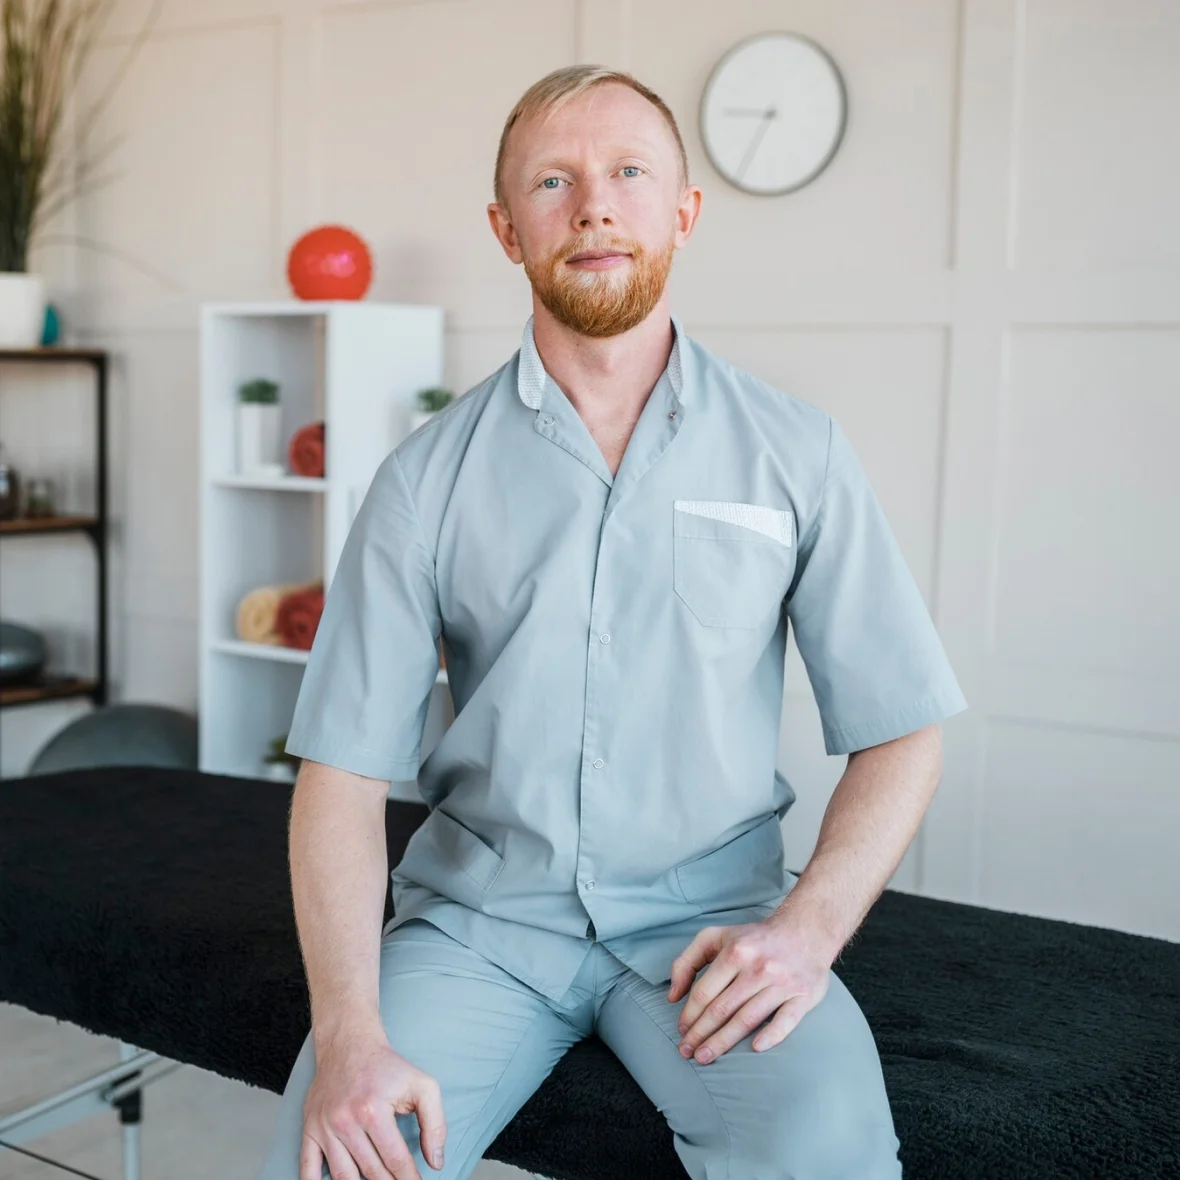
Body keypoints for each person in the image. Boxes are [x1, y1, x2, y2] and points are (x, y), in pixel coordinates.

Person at [254, 64, 968, 1180]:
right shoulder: (420, 482)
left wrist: (808, 931)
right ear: (506, 229)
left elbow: (903, 730)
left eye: (629, 172)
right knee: (337, 1163)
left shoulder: (798, 453)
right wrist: (348, 1033)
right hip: (477, 930)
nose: (594, 206)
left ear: (684, 211)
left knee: (829, 1153)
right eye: (553, 180)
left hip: (712, 931)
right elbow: (339, 776)